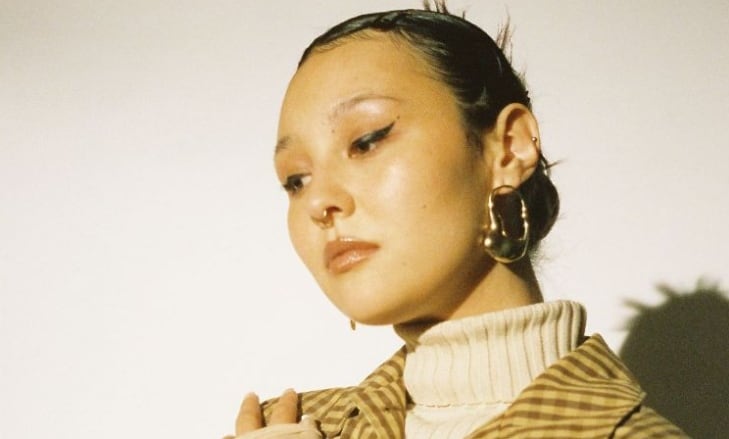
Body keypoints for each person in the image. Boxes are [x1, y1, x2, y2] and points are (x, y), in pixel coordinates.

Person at [225, 2, 688, 438]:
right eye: (295, 180)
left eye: (366, 141)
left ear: (508, 147)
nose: (318, 201)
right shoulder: (295, 425)